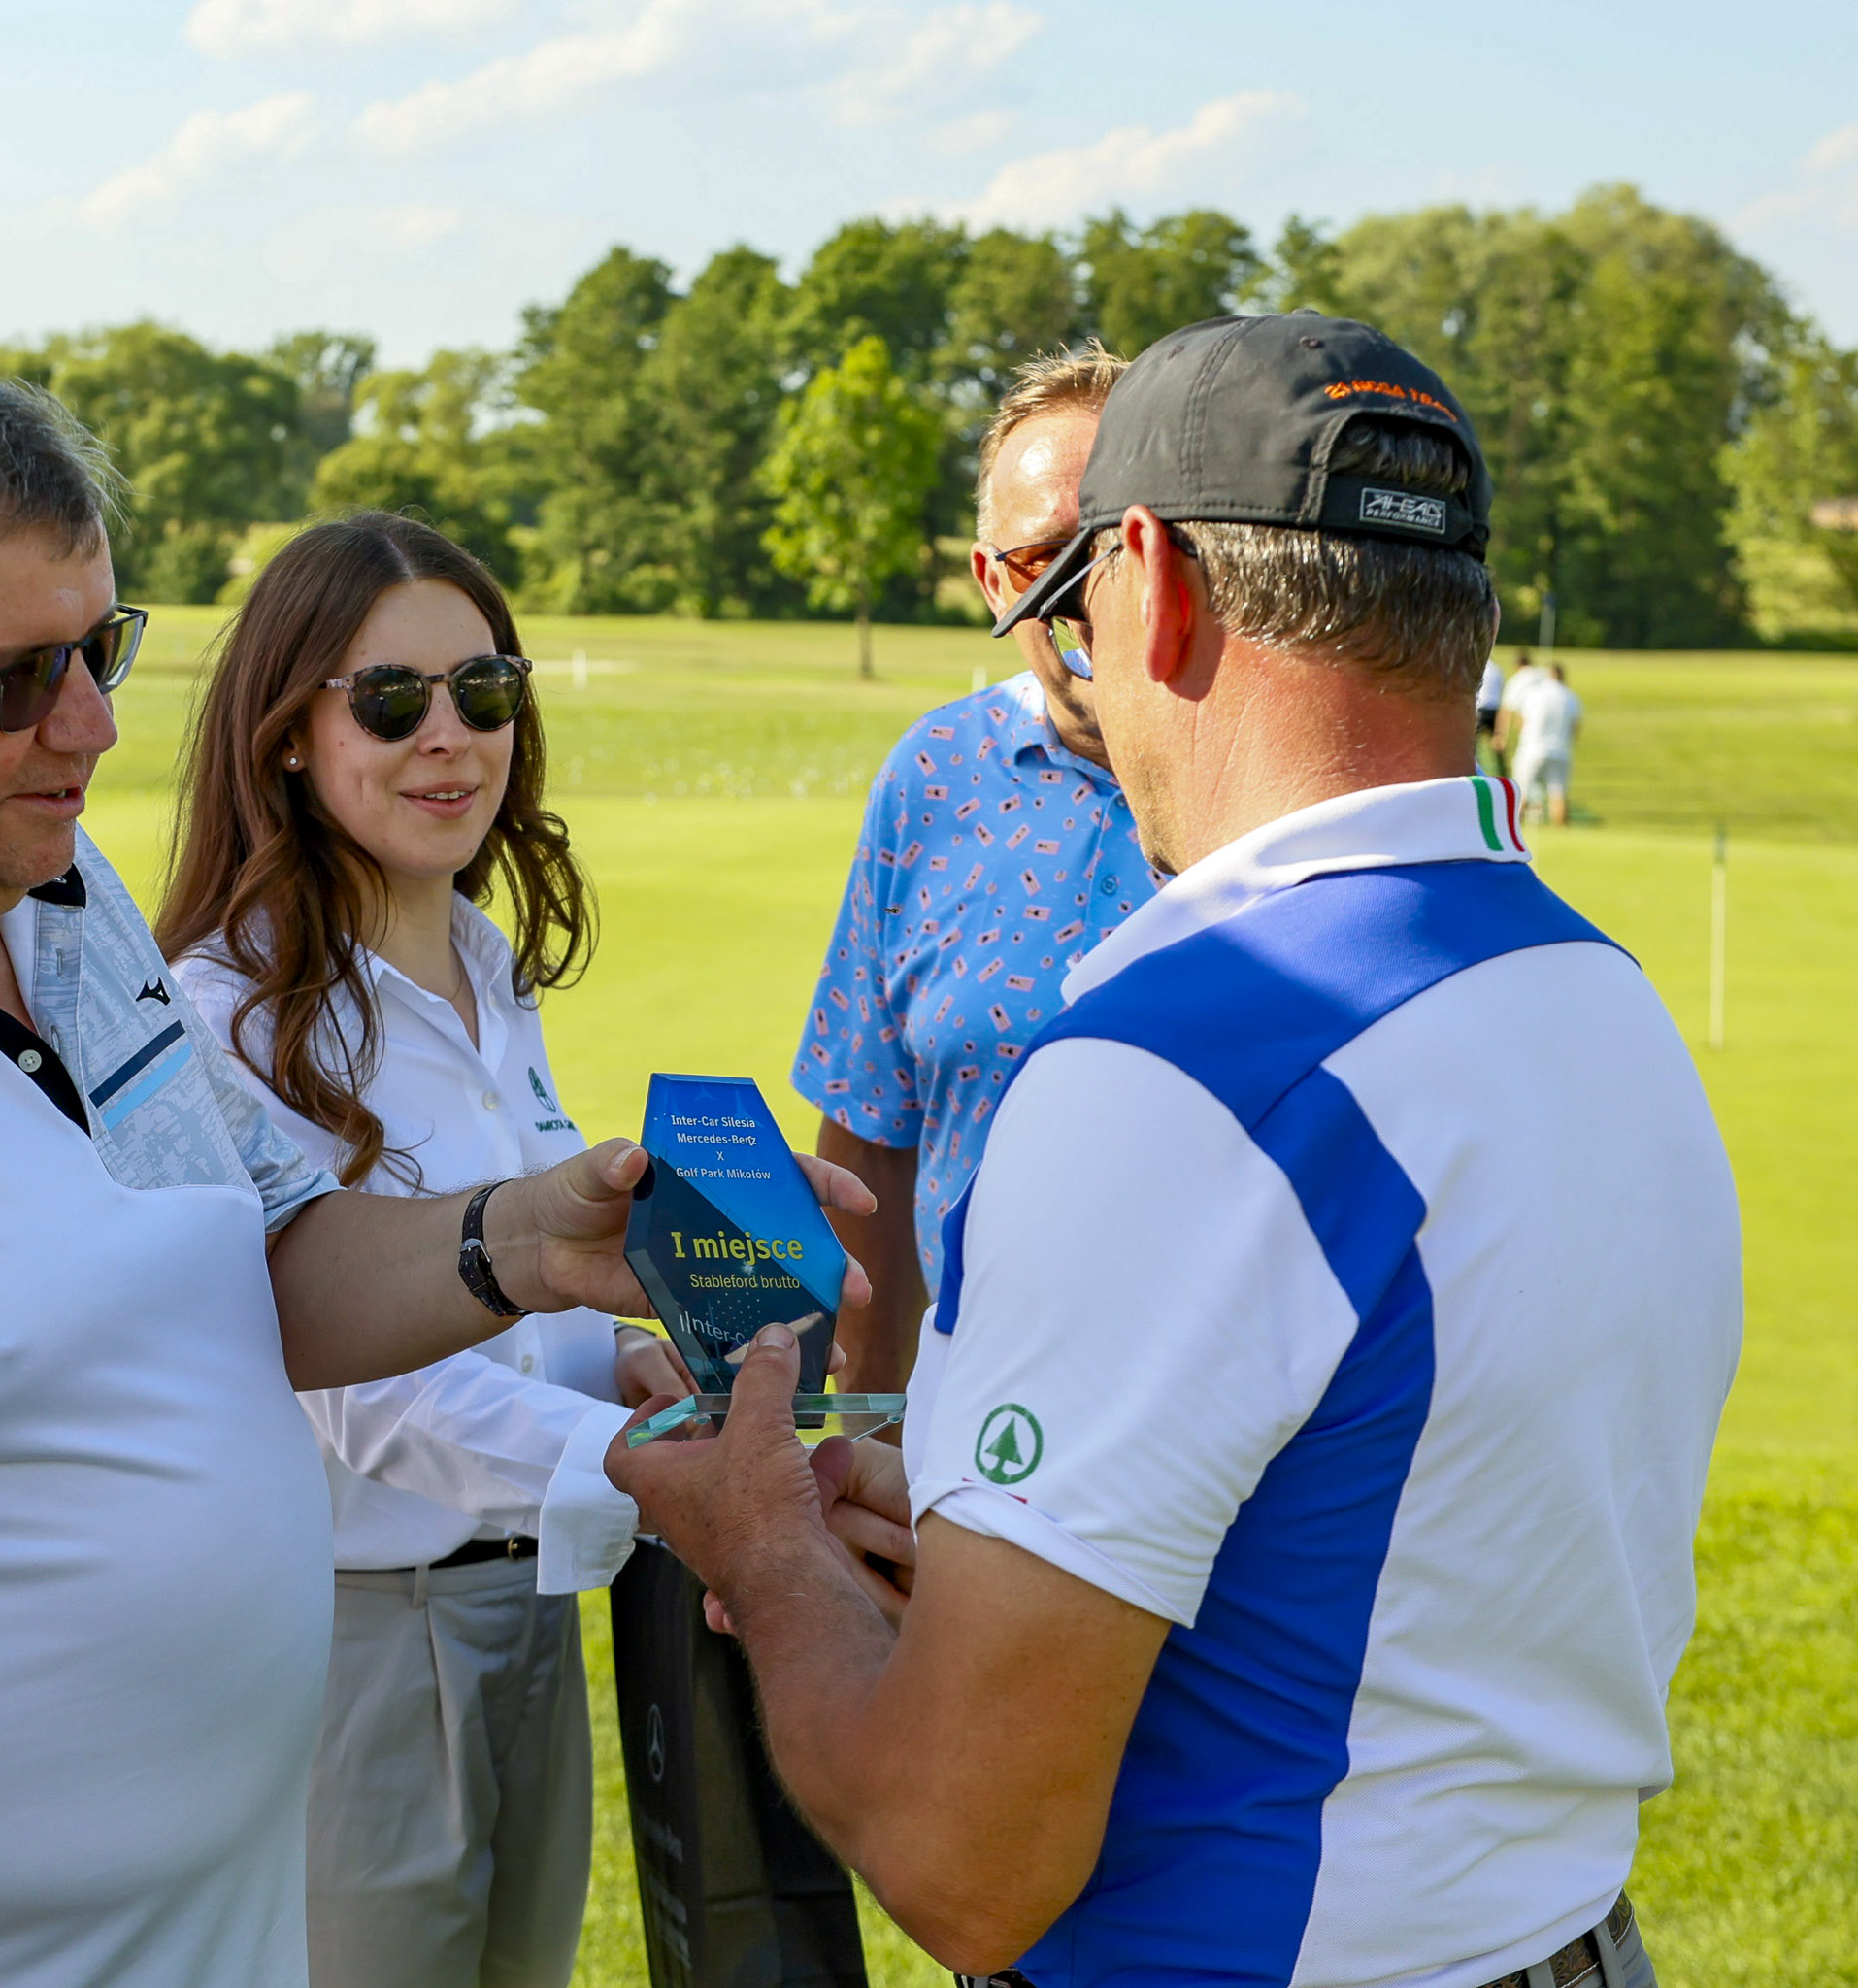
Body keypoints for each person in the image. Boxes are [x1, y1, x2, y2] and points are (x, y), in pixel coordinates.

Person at [0, 348, 872, 1988]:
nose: (94, 726)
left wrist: (534, 1239)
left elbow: (258, 1243)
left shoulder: (46, 882)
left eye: (100, 648)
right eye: (14, 676)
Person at [611, 314, 1738, 1988]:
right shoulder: (1593, 988)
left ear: (1150, 576)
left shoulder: (1175, 1065)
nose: (1074, 652)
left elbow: (962, 1854)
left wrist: (759, 1538)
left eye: (1076, 599)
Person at [160, 514, 685, 1988]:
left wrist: (636, 1358)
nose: (449, 736)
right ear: (286, 734)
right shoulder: (225, 1012)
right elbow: (351, 1379)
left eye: (485, 689)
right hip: (362, 1642)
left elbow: (522, 1295)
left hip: (536, 1604)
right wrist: (644, 1468)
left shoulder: (484, 963)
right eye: (391, 699)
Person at [794, 346, 1159, 1391]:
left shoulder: (1273, 783)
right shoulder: (934, 772)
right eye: (1047, 556)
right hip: (969, 1427)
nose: (1088, 595)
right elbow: (871, 1137)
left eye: (1119, 547)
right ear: (994, 580)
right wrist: (871, 1427)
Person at [1504, 657, 1582, 825]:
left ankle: (1513, 832)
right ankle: (1561, 833)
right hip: (1560, 751)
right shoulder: (1571, 697)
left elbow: (1521, 722)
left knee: (1522, 793)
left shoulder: (1534, 694)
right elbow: (1574, 730)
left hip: (1532, 750)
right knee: (1558, 794)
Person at [1474, 646, 1506, 774]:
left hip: (1480, 709)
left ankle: (1474, 770)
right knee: (1497, 746)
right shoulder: (1498, 670)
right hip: (1494, 710)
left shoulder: (1478, 667)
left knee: (1473, 746)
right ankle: (1502, 771)